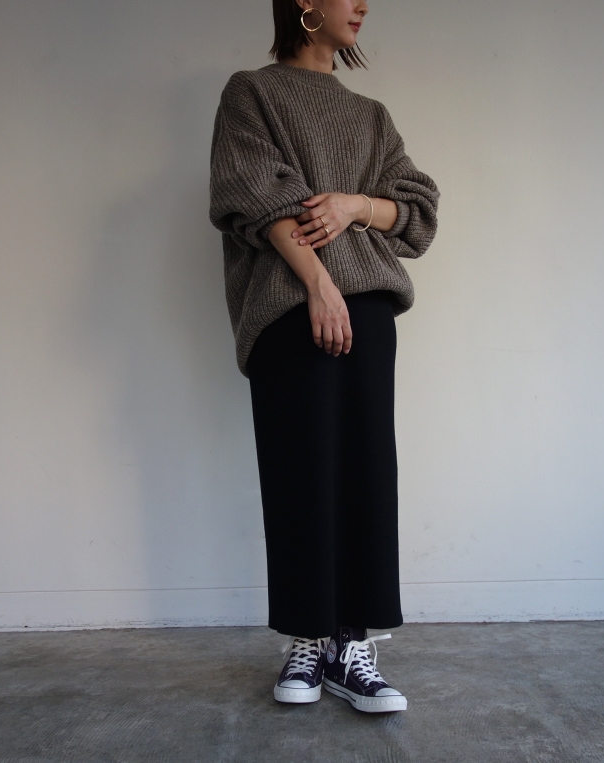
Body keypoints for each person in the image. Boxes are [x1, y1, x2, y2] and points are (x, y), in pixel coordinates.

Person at [208, 0, 439, 713]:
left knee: (366, 471)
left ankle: (352, 645)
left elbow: (417, 210)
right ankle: (308, 638)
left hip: (368, 309)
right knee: (299, 470)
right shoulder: (252, 92)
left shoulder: (370, 115)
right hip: (289, 306)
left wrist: (353, 205)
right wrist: (317, 284)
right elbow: (254, 194)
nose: (362, 5)